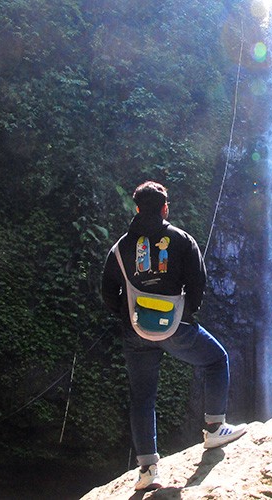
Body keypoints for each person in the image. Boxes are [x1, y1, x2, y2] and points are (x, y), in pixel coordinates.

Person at [102, 181, 247, 491]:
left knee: (142, 397)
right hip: (175, 326)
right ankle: (214, 427)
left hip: (135, 329)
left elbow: (107, 291)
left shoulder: (121, 248)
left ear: (137, 208)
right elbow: (197, 284)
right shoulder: (182, 240)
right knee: (216, 359)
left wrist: (128, 318)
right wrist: (185, 314)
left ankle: (148, 470)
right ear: (165, 208)